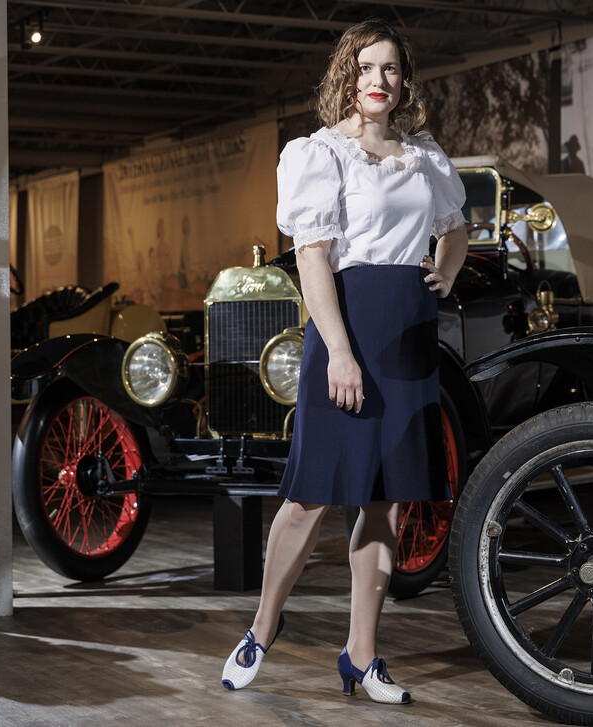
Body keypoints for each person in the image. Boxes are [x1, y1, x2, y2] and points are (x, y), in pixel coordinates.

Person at [220, 18, 468, 705]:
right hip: (347, 323)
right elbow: (312, 257)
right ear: (346, 77)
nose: (378, 81)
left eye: (390, 69)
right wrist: (338, 352)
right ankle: (262, 627)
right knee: (310, 497)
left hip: (410, 333)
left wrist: (445, 273)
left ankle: (362, 654)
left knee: (384, 505)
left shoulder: (424, 156)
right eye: (366, 69)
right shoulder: (322, 152)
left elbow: (457, 225)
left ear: (403, 79)